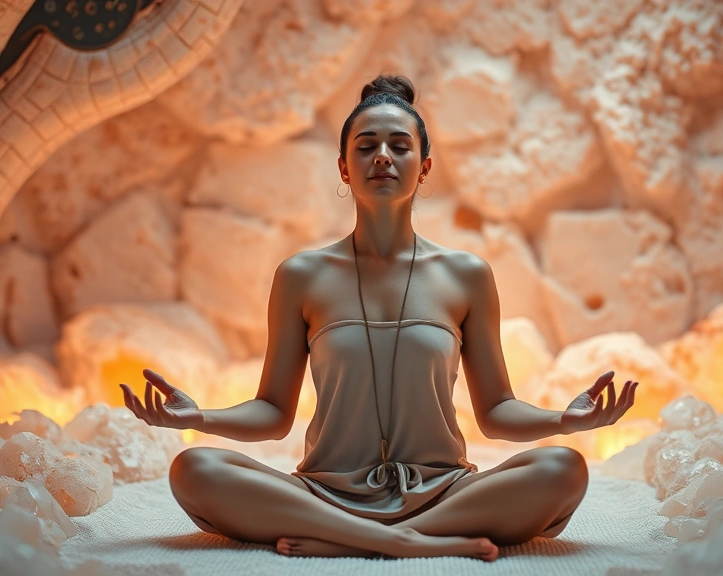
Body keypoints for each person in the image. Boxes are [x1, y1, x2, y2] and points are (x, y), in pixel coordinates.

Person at [120, 74, 638, 562]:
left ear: (424, 166)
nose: (382, 157)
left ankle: (355, 542)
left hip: (444, 494)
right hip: (323, 492)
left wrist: (566, 422)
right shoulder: (301, 275)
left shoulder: (467, 275)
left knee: (562, 468)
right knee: (195, 468)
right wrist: (198, 419)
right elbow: (272, 412)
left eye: (399, 146)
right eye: (365, 147)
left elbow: (497, 410)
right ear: (344, 168)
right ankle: (407, 543)